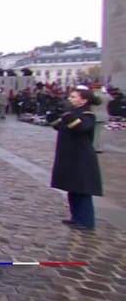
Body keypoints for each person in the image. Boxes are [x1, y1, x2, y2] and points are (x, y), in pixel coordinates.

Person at [48, 86, 103, 231]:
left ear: (83, 100)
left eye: (73, 97)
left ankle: (86, 221)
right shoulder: (73, 113)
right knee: (72, 188)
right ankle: (76, 217)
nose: (70, 99)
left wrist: (67, 116)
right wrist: (54, 115)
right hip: (70, 156)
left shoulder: (88, 114)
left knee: (82, 190)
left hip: (81, 157)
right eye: (70, 97)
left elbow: (81, 127)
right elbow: (60, 126)